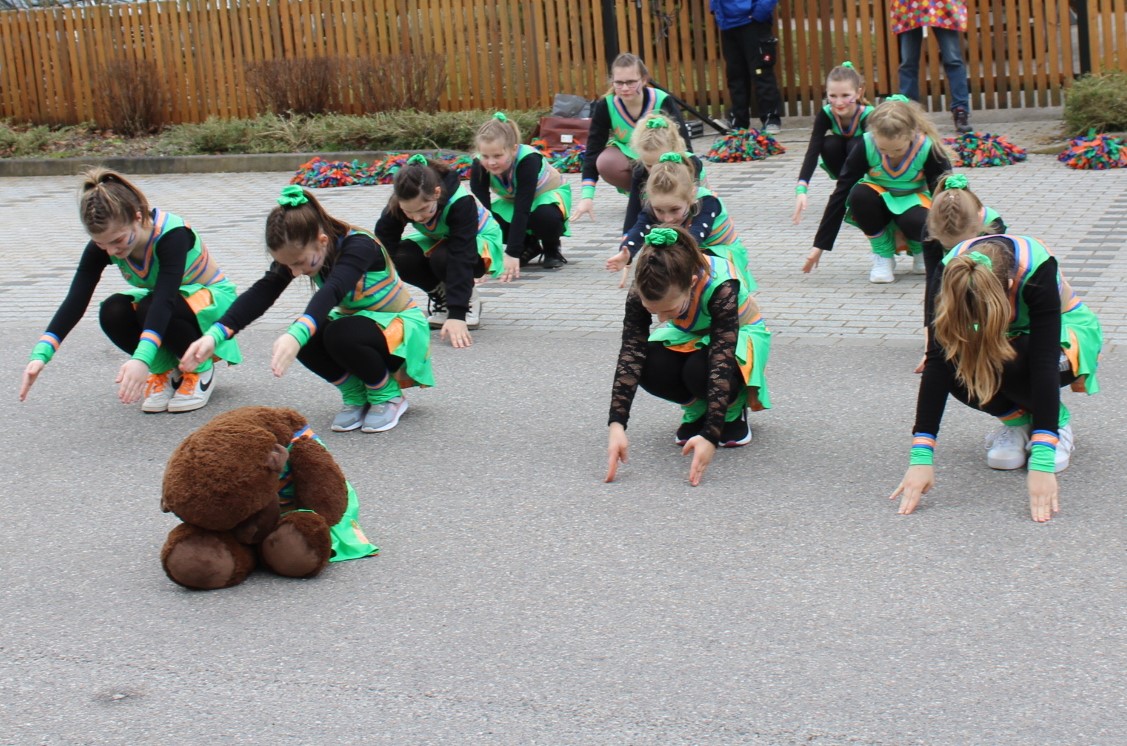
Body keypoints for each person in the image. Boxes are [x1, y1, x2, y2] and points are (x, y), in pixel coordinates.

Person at [180, 185, 434, 434]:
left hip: (399, 328)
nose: (295, 272)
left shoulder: (359, 246)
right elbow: (264, 290)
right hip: (360, 325)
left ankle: (387, 396)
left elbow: (332, 289)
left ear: (322, 241)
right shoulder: (303, 252)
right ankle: (355, 393)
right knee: (311, 335)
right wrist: (215, 335)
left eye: (300, 263)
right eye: (288, 265)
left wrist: (296, 334)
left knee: (336, 332)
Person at [889, 235, 1102, 522]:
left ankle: (1055, 425)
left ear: (1011, 288)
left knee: (1012, 356)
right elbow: (937, 362)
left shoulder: (1036, 270)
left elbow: (1043, 363)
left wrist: (1042, 460)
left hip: (1064, 338)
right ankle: (1018, 423)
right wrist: (921, 458)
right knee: (955, 361)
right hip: (1004, 338)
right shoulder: (949, 274)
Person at [19, 168, 241, 413]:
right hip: (168, 305)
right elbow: (76, 300)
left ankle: (199, 370)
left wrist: (140, 359)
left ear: (138, 217)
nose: (111, 251)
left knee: (149, 305)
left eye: (117, 241)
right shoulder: (106, 245)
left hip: (214, 309)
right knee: (113, 310)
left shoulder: (172, 235)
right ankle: (166, 369)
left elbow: (164, 301)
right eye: (101, 243)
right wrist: (41, 354)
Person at [605, 226, 771, 487]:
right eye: (653, 311)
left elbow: (721, 357)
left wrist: (711, 436)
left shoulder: (721, 286)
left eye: (669, 309)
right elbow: (630, 352)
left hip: (738, 337)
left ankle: (732, 411)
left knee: (700, 370)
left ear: (692, 284)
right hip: (690, 332)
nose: (660, 319)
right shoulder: (646, 283)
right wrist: (617, 425)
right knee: (648, 361)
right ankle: (697, 408)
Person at [802, 96, 953, 284]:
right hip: (877, 203)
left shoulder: (927, 148)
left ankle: (920, 250)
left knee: (918, 221)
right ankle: (883, 256)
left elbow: (946, 197)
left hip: (914, 203)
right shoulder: (866, 145)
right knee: (858, 194)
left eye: (897, 150)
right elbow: (840, 193)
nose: (889, 155)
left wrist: (949, 249)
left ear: (912, 135)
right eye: (883, 149)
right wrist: (819, 246)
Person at [375, 154, 504, 348]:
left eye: (424, 209)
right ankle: (442, 294)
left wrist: (457, 315)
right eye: (409, 212)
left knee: (443, 257)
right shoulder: (400, 203)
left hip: (478, 241)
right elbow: (383, 250)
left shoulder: (461, 202)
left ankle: (467, 299)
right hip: (440, 238)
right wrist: (374, 304)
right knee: (401, 258)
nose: (417, 217)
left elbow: (461, 254)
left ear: (436, 193)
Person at [572, 53, 693, 227]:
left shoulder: (661, 100)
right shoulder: (606, 105)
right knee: (605, 161)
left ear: (644, 80)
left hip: (664, 158)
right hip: (630, 157)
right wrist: (586, 197)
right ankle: (641, 196)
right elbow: (593, 150)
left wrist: (692, 188)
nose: (625, 88)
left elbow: (685, 146)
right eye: (619, 83)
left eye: (631, 82)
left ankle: (665, 193)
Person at [606, 152, 752, 291]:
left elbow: (695, 237)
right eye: (659, 210)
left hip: (719, 252)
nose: (667, 218)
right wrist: (627, 253)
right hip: (687, 246)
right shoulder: (655, 203)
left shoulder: (708, 201)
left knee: (675, 262)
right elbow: (640, 228)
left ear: (692, 194)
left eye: (674, 209)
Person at [913, 172, 1008, 371]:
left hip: (986, 274)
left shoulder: (992, 224)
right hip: (953, 276)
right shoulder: (930, 228)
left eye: (959, 246)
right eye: (950, 248)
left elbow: (999, 285)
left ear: (976, 229)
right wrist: (930, 350)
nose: (955, 252)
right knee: (948, 297)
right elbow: (933, 287)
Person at [469, 112, 572, 273]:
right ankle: (529, 245)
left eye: (498, 155)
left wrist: (512, 252)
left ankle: (551, 247)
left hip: (546, 196)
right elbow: (482, 212)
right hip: (514, 200)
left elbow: (522, 209)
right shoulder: (478, 165)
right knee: (484, 218)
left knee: (545, 218)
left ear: (513, 149)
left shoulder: (528, 160)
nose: (491, 162)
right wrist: (486, 257)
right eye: (485, 156)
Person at [792, 62, 874, 225]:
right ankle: (846, 189)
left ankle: (860, 191)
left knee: (857, 145)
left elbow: (878, 156)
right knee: (829, 144)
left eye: (845, 95)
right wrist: (801, 189)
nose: (838, 102)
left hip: (866, 166)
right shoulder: (826, 113)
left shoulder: (868, 115)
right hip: (841, 163)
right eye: (833, 96)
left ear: (858, 93)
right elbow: (812, 151)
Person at [892, 0, 973, 133]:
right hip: (910, 4)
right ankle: (909, 114)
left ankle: (961, 111)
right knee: (908, 62)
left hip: (941, 3)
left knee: (953, 59)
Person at [623, 113, 708, 235]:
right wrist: (627, 236)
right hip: (664, 212)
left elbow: (696, 207)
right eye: (648, 165)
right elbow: (633, 207)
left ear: (674, 150)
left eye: (659, 162)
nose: (654, 170)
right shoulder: (640, 170)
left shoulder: (691, 164)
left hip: (694, 214)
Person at [710, 0, 783, 133]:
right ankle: (738, 121)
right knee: (735, 75)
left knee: (761, 72)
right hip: (728, 25)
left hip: (753, 23)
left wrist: (759, 13)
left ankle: (771, 119)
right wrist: (716, 11)